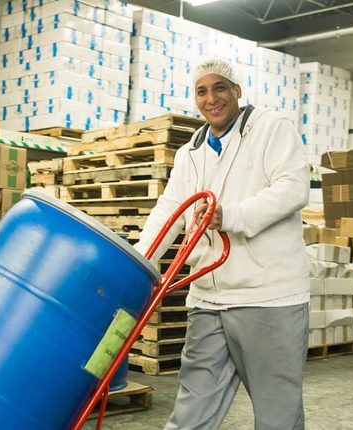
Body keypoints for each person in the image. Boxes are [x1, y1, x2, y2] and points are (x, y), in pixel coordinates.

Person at [133, 58, 311, 430]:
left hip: (266, 298)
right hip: (208, 299)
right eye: (202, 91)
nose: (211, 98)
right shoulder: (190, 152)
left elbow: (293, 188)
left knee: (276, 410)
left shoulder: (270, 129)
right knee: (192, 408)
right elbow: (171, 209)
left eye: (219, 88)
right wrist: (136, 262)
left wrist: (229, 217)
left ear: (237, 92)